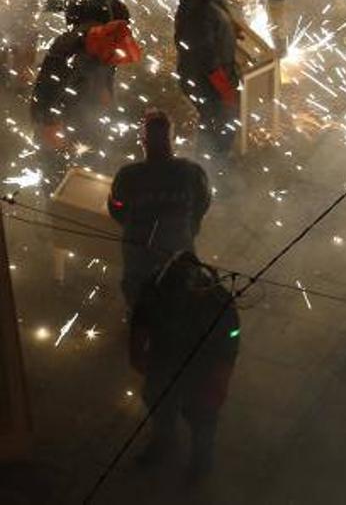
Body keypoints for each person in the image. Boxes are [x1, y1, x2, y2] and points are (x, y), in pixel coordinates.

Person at [128, 251, 240, 481]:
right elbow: (140, 320)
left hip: (202, 369)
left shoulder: (219, 303)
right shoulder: (155, 289)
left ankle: (201, 460)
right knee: (158, 403)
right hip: (162, 359)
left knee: (202, 417)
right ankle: (163, 441)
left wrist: (220, 383)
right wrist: (137, 351)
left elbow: (229, 347)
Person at [107, 110, 212, 307]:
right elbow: (203, 204)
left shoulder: (128, 176)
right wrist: (189, 225)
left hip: (139, 266)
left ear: (143, 141)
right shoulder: (192, 172)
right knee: (183, 307)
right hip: (181, 259)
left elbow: (116, 209)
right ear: (172, 139)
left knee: (141, 312)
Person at [30, 16, 141, 166]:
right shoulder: (67, 51)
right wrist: (50, 123)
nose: (113, 61)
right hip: (55, 117)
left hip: (81, 116)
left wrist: (106, 89)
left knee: (84, 161)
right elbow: (48, 90)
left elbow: (109, 67)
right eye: (112, 57)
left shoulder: (104, 43)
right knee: (54, 166)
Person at [174, 0, 241, 155]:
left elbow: (213, 26)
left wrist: (229, 28)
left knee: (216, 124)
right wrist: (225, 91)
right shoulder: (199, 6)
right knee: (218, 129)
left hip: (210, 80)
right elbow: (206, 58)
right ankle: (211, 170)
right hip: (207, 84)